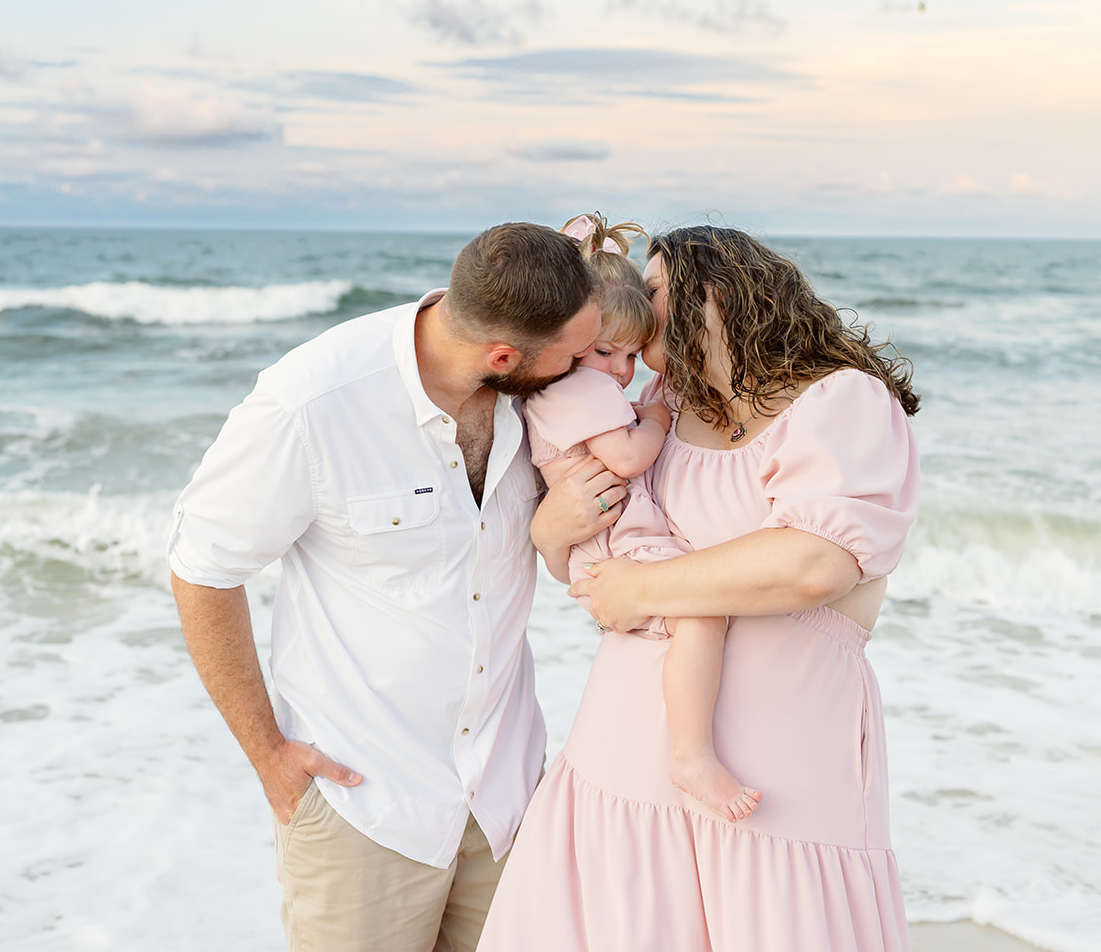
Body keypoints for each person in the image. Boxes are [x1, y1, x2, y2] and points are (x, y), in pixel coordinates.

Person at [167, 222, 628, 952]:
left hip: (508, 799)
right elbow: (202, 568)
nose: (597, 369)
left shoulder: (540, 395)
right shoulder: (312, 402)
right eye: (578, 354)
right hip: (364, 802)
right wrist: (269, 756)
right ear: (504, 357)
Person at [479, 225, 922, 952]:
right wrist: (550, 531)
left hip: (776, 768)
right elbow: (598, 564)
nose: (638, 310)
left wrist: (648, 587)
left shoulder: (840, 400)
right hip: (620, 757)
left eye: (652, 290)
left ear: (718, 290)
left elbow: (817, 562)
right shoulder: (664, 399)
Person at [524, 212, 760, 823]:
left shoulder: (576, 388)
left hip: (607, 540)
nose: (624, 371)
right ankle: (691, 754)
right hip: (615, 542)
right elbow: (627, 458)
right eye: (605, 352)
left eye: (632, 354)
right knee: (701, 615)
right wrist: (655, 418)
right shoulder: (578, 390)